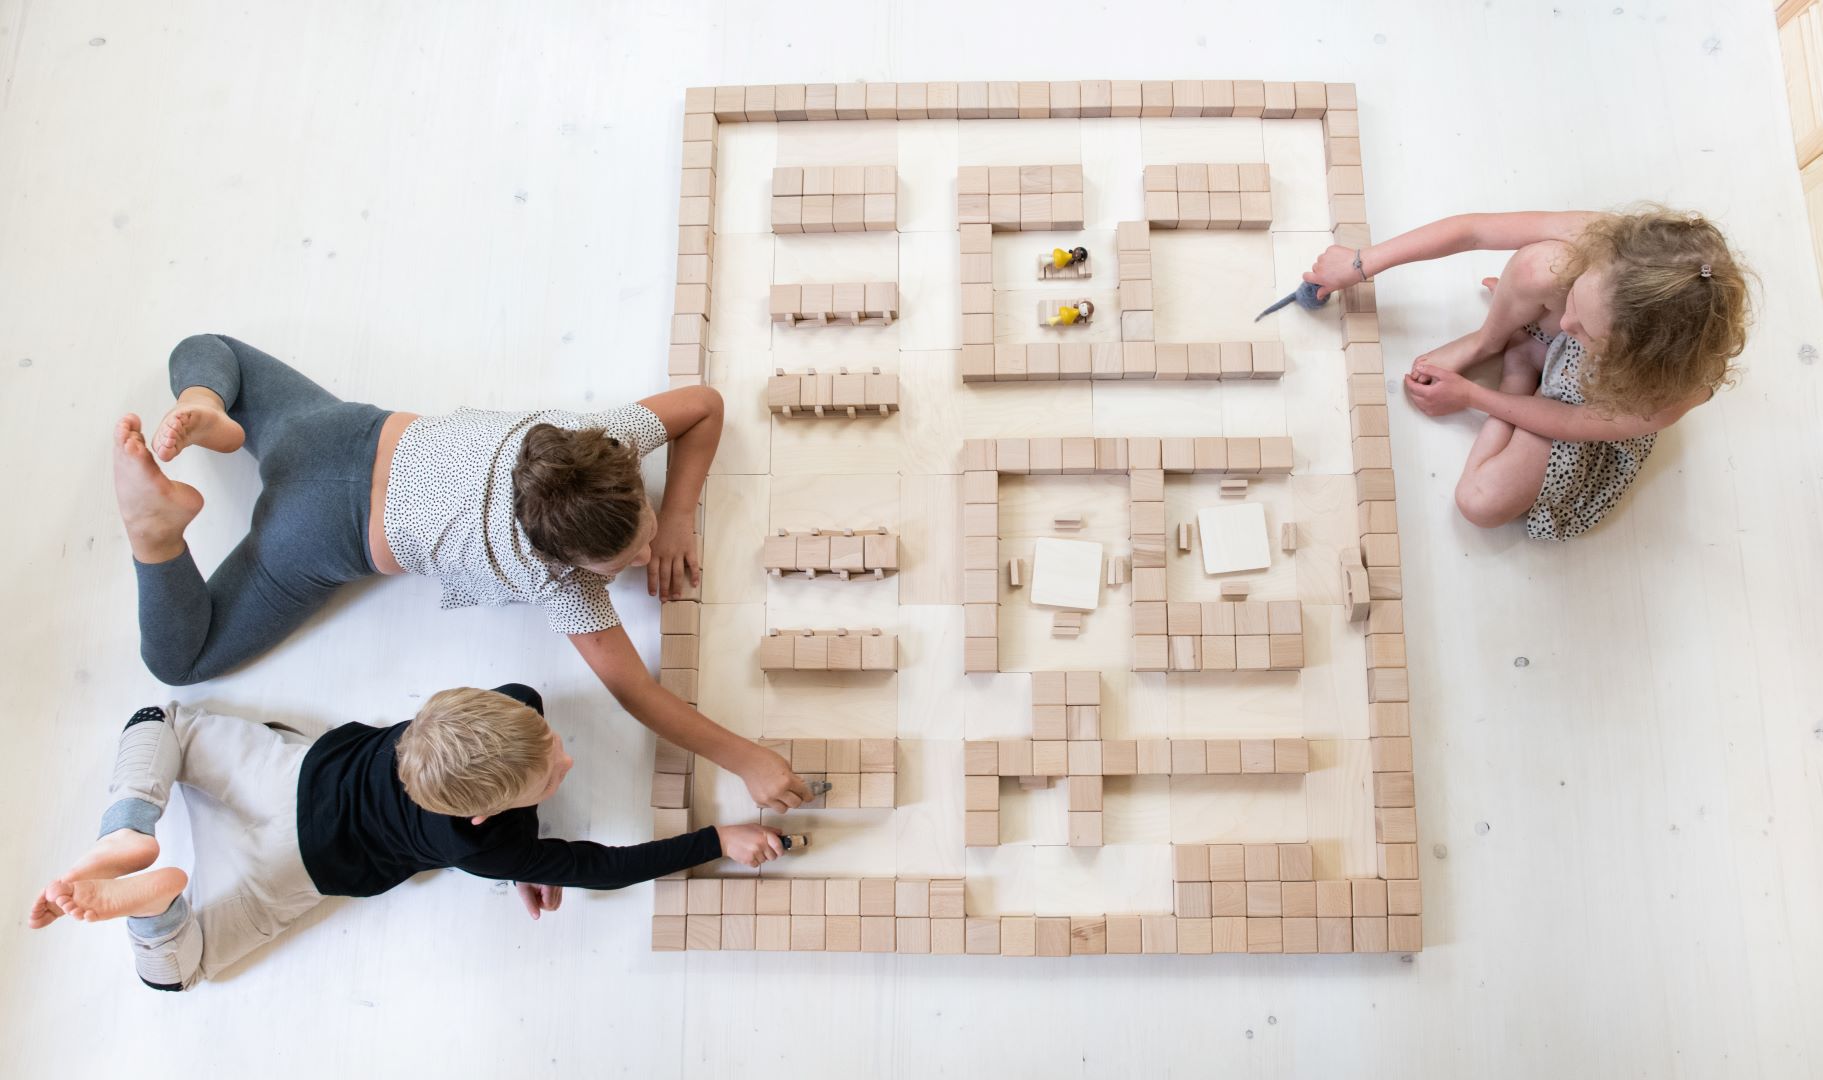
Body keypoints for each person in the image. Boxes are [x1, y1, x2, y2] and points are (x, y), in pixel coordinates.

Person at [113, 334, 808, 810]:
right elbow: (637, 695)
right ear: (567, 565)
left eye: (642, 531)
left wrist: (678, 516)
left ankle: (209, 409)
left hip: (330, 433)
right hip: (320, 533)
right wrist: (745, 758)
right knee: (184, 657)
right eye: (620, 559)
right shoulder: (561, 585)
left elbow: (703, 404)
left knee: (207, 353)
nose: (639, 557)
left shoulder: (599, 439)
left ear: (621, 466)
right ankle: (155, 537)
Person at [27, 685, 785, 990]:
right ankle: (154, 906)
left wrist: (524, 848)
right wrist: (715, 836)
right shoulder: (478, 848)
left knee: (159, 723)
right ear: (484, 819)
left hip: (292, 776)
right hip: (297, 862)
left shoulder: (507, 708)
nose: (567, 757)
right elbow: (607, 867)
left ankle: (129, 826)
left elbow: (556, 830)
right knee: (179, 975)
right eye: (550, 774)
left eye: (546, 740)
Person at [1302, 207, 1751, 540]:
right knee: (1540, 263)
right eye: (1574, 301)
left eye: (1586, 332)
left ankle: (1520, 366)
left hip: (1586, 416)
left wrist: (1475, 397)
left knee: (1480, 502)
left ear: (1640, 356)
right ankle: (1490, 340)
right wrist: (1362, 262)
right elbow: (1475, 232)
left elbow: (1571, 423)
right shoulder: (1618, 251)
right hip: (1593, 353)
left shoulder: (1669, 393)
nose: (1567, 329)